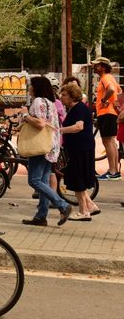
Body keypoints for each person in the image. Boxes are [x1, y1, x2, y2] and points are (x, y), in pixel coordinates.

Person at [20, 76, 72, 226]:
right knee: (43, 181)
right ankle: (41, 216)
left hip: (39, 146)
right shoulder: (50, 102)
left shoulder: (38, 102)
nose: (29, 88)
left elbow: (40, 123)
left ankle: (62, 205)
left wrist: (25, 115)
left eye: (31, 86)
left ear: (36, 88)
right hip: (51, 145)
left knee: (34, 180)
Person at [59, 84, 100, 221]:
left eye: (64, 95)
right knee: (77, 177)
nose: (61, 97)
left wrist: (60, 130)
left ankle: (83, 211)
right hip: (80, 147)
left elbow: (79, 127)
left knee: (77, 178)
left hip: (80, 148)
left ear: (72, 95)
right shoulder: (76, 108)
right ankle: (91, 205)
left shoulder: (79, 109)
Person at [91, 57, 121, 180]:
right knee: (111, 142)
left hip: (106, 113)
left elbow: (112, 90)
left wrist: (103, 100)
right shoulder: (111, 78)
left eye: (96, 65)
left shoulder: (105, 78)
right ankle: (114, 171)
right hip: (111, 113)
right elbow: (118, 92)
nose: (94, 67)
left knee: (107, 142)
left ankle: (112, 171)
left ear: (102, 66)